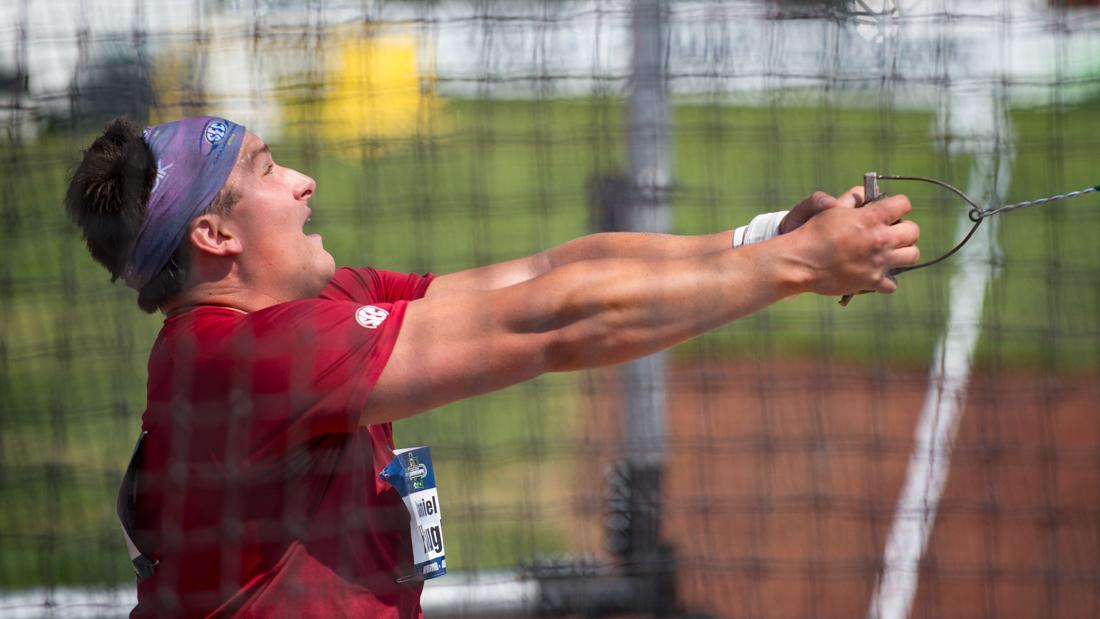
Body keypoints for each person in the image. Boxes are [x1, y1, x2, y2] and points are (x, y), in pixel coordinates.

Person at [65, 116, 919, 618]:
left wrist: (766, 237)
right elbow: (555, 324)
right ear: (214, 237)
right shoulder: (242, 359)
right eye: (265, 169)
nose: (303, 180)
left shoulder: (304, 314)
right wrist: (801, 267)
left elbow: (544, 273)